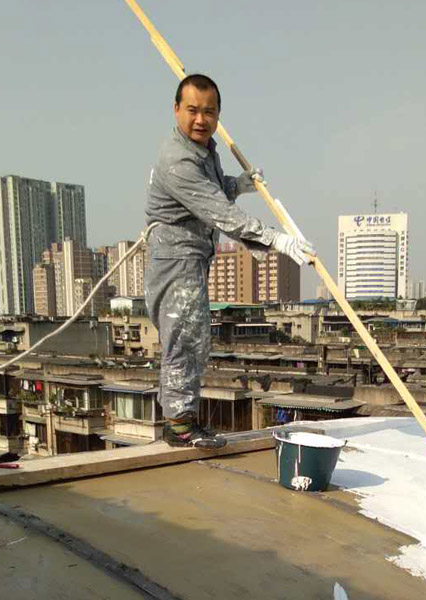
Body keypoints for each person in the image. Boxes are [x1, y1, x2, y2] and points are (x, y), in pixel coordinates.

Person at [145, 74, 315, 448]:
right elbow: (221, 214)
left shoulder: (204, 151)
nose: (200, 119)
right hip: (175, 258)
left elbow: (216, 190)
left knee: (194, 339)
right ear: (176, 109)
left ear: (218, 114)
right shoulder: (177, 160)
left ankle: (184, 418)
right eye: (192, 110)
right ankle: (179, 426)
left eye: (209, 112)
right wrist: (276, 239)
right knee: (183, 340)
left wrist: (239, 184)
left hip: (191, 256)